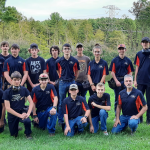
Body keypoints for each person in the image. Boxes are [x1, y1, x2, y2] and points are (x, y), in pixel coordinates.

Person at [3, 71, 33, 139]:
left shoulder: (24, 89)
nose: (17, 81)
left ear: (20, 80)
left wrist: (27, 114)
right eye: (15, 80)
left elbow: (31, 102)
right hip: (12, 114)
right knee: (14, 135)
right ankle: (15, 126)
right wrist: (20, 115)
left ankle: (28, 133)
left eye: (18, 80)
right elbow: (7, 108)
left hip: (22, 110)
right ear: (11, 80)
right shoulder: (6, 92)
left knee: (27, 120)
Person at [56, 43, 80, 124]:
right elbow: (57, 71)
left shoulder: (75, 61)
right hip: (62, 83)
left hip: (72, 82)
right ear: (62, 50)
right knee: (61, 102)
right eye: (65, 49)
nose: (67, 50)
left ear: (71, 50)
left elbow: (77, 71)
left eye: (68, 48)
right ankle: (60, 120)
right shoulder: (58, 61)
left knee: (72, 100)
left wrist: (74, 79)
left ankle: (72, 117)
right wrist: (61, 77)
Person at [109, 44, 134, 115]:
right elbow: (112, 72)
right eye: (120, 49)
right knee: (117, 99)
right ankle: (116, 115)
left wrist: (128, 81)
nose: (121, 50)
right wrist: (116, 81)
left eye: (122, 48)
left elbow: (130, 72)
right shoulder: (114, 60)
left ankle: (126, 114)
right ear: (118, 50)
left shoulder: (128, 60)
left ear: (125, 50)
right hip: (117, 81)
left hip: (125, 81)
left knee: (126, 99)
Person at [134, 37, 150, 124]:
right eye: (143, 42)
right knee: (139, 100)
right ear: (141, 44)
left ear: (149, 43)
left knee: (149, 101)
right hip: (140, 80)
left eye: (146, 42)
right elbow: (137, 67)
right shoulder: (139, 54)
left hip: (149, 81)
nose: (145, 44)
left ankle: (149, 119)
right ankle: (139, 119)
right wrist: (135, 80)